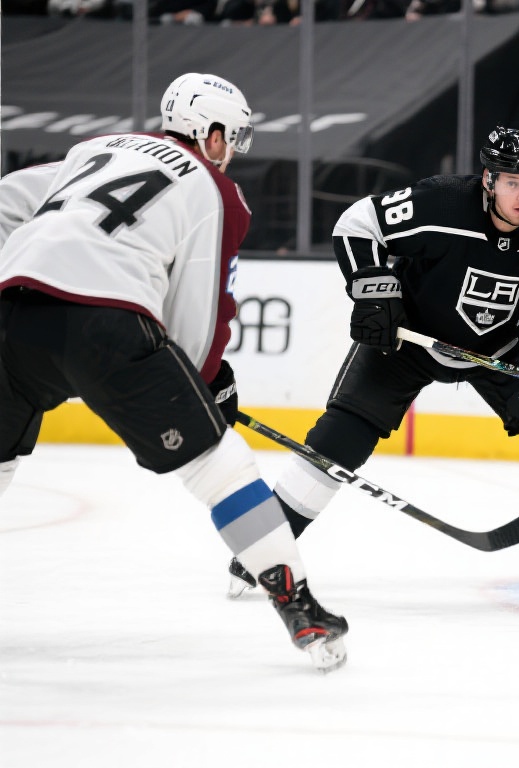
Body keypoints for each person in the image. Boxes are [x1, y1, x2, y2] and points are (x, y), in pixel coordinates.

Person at [227, 126, 519, 600]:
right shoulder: (438, 204)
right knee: (340, 437)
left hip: (499, 350)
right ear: (488, 180)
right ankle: (268, 548)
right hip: (410, 337)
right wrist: (375, 292)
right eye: (511, 182)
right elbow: (358, 223)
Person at [0, 73, 348, 671]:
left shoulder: (96, 149)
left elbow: (8, 197)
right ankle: (301, 607)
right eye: (231, 138)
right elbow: (203, 308)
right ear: (211, 136)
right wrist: (204, 380)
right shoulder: (216, 190)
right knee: (220, 464)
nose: (231, 152)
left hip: (9, 310)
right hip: (105, 324)